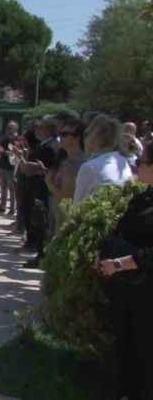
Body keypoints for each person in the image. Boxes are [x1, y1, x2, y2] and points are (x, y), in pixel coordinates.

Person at [97, 141, 153, 400]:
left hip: (145, 292)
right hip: (127, 290)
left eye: (142, 162)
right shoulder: (144, 196)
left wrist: (119, 263)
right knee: (125, 350)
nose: (136, 165)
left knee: (144, 355)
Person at [18, 118, 60, 268]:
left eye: (40, 129)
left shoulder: (51, 146)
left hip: (42, 188)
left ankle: (41, 255)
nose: (37, 132)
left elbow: (38, 167)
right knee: (37, 221)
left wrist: (25, 162)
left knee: (41, 222)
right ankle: (39, 253)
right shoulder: (45, 144)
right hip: (36, 187)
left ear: (48, 129)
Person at [74, 115, 134, 206]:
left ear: (93, 138)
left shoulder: (89, 167)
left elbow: (77, 207)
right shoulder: (123, 161)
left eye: (86, 134)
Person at [46, 118, 86, 232]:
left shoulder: (79, 162)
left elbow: (67, 197)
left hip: (68, 219)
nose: (60, 138)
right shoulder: (64, 158)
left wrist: (49, 184)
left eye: (64, 134)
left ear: (77, 137)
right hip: (56, 213)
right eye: (59, 134)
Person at [0, 121, 19, 215]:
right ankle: (2, 206)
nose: (9, 129)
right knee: (3, 187)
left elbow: (15, 152)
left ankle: (12, 208)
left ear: (16, 128)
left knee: (12, 189)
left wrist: (5, 152)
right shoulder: (4, 138)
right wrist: (2, 152)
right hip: (2, 165)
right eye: (8, 127)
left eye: (11, 127)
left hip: (12, 167)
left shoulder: (18, 139)